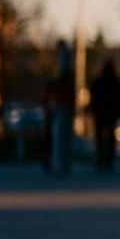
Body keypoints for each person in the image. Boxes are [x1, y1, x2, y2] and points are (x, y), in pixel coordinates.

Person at [88, 59, 120, 173]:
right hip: (110, 113)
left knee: (100, 136)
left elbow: (93, 97)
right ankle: (108, 159)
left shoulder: (99, 82)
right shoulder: (116, 83)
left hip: (101, 113)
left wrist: (93, 108)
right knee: (109, 136)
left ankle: (101, 157)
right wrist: (118, 110)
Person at [42, 40, 75, 176]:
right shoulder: (63, 72)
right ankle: (60, 163)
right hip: (60, 103)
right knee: (60, 136)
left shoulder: (60, 72)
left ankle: (59, 163)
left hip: (59, 103)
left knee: (59, 136)